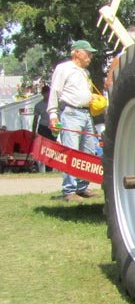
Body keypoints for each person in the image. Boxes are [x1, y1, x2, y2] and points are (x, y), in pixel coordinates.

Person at [48, 40, 99, 201]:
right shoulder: (63, 69)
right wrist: (53, 114)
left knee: (89, 151)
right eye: (87, 53)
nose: (90, 56)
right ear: (77, 52)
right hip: (70, 112)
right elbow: (55, 91)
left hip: (86, 114)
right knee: (70, 151)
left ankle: (82, 187)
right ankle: (69, 190)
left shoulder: (86, 73)